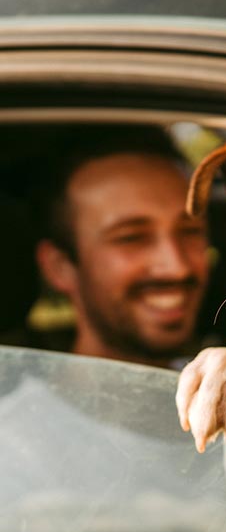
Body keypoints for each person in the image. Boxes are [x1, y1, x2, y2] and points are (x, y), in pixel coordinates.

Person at [34, 125, 210, 368]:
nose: (176, 267)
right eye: (131, 237)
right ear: (59, 267)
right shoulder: (22, 408)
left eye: (190, 231)